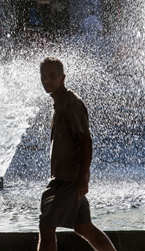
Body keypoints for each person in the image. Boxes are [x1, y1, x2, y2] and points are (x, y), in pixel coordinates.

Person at [38, 57, 117, 251]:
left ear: (63, 77)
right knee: (83, 227)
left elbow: (86, 141)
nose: (47, 80)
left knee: (47, 226)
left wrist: (82, 179)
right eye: (44, 76)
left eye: (52, 75)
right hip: (67, 179)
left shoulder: (70, 104)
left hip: (68, 180)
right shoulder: (59, 103)